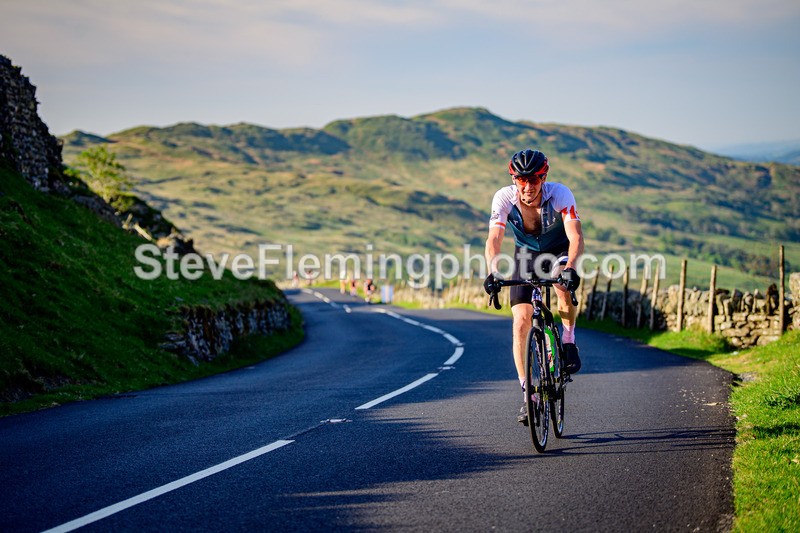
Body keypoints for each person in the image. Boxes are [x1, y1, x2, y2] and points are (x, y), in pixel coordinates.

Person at [483, 149, 585, 423]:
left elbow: (575, 236)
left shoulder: (561, 194)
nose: (528, 187)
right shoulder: (504, 198)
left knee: (563, 286)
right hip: (526, 255)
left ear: (544, 177)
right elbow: (494, 239)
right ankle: (529, 395)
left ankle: (567, 340)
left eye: (534, 180)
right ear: (514, 179)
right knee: (520, 322)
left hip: (558, 252)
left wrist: (572, 268)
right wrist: (492, 272)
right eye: (521, 180)